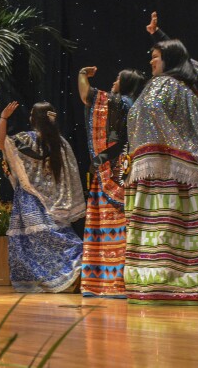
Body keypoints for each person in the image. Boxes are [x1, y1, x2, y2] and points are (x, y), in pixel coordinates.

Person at [125, 36, 198, 304]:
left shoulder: (163, 86)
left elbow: (148, 109)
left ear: (169, 60)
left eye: (156, 56)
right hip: (192, 172)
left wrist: (165, 144)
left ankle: (161, 282)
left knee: (164, 227)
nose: (151, 61)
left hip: (164, 172)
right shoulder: (192, 91)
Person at [0, 101, 86, 293]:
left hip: (30, 198)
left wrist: (3, 117)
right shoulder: (61, 143)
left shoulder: (26, 139)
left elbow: (0, 142)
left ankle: (57, 279)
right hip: (55, 200)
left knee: (29, 243)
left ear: (33, 119)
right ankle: (70, 275)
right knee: (53, 237)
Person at [77, 66, 145, 297]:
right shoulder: (137, 105)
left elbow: (88, 96)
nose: (114, 82)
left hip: (112, 172)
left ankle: (108, 282)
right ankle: (121, 281)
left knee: (108, 223)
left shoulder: (121, 102)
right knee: (123, 225)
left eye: (118, 78)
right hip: (129, 170)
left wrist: (82, 75)